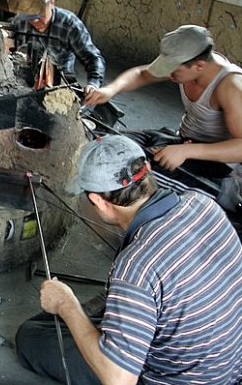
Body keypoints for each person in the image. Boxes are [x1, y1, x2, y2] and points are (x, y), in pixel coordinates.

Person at [16, 135, 242, 384]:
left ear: (98, 201)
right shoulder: (202, 203)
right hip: (229, 364)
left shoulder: (137, 264)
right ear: (147, 171)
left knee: (33, 336)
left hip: (179, 377)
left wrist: (66, 305)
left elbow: (119, 379)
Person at [84, 25, 242, 212]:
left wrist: (187, 151)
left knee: (129, 171)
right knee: (109, 145)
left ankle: (221, 193)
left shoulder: (231, 86)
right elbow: (141, 74)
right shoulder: (190, 64)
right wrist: (111, 89)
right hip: (180, 141)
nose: (169, 74)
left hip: (213, 164)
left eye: (174, 70)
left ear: (199, 66)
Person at [12, 0, 105, 93]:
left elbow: (93, 58)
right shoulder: (20, 22)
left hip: (60, 80)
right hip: (26, 78)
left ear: (52, 3)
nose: (35, 20)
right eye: (30, 16)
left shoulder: (70, 25)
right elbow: (10, 48)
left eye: (40, 14)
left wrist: (93, 84)